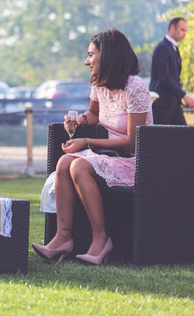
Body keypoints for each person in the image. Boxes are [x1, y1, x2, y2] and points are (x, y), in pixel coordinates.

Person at [32, 29, 152, 266]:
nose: (86, 61)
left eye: (90, 55)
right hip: (112, 157)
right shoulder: (99, 83)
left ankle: (101, 239)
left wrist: (86, 142)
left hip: (135, 162)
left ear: (106, 55)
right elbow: (94, 113)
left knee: (78, 165)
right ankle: (63, 238)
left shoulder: (135, 87)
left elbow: (133, 142)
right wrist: (81, 121)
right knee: (64, 162)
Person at [149, 17, 193, 125]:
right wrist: (184, 96)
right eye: (182, 30)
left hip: (174, 103)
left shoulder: (174, 48)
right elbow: (164, 78)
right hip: (161, 104)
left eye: (186, 31)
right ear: (172, 27)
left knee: (185, 136)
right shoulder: (162, 48)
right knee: (160, 139)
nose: (184, 34)